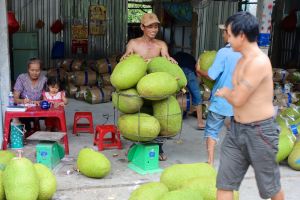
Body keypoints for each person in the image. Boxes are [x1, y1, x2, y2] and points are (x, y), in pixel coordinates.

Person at [215, 12, 284, 200]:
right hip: (236, 130)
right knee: (224, 183)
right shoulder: (240, 59)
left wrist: (225, 93)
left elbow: (238, 99)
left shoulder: (259, 62)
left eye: (229, 34)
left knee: (270, 187)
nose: (226, 38)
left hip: (260, 131)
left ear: (242, 35)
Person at [122, 13, 176, 161]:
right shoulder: (133, 43)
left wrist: (169, 61)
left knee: (157, 117)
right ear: (142, 27)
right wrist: (126, 58)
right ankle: (136, 145)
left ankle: (158, 148)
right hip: (138, 86)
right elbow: (127, 57)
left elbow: (165, 59)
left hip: (156, 88)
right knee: (140, 116)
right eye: (150, 26)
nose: (154, 29)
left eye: (156, 26)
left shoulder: (161, 45)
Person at [196, 25, 241, 166]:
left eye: (224, 32)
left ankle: (210, 161)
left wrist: (198, 70)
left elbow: (211, 75)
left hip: (221, 99)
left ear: (229, 34)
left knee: (212, 130)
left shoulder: (223, 52)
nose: (222, 35)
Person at [173, 51, 205, 130]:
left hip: (178, 73)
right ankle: (200, 122)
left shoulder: (174, 56)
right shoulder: (193, 60)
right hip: (189, 73)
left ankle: (175, 117)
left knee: (175, 94)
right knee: (197, 96)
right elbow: (197, 72)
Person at [13, 58, 47, 131]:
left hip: (39, 108)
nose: (35, 73)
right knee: (25, 122)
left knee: (52, 113)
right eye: (32, 70)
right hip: (25, 109)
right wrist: (23, 101)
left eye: (37, 70)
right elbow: (15, 99)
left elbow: (48, 96)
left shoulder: (44, 79)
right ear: (28, 69)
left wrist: (41, 102)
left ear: (41, 70)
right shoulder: (21, 78)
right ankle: (26, 132)